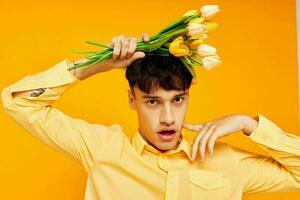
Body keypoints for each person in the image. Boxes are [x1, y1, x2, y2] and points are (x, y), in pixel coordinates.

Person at [1, 33, 300, 200]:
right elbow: (18, 102)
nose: (168, 117)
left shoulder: (224, 161)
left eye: (178, 100)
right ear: (132, 100)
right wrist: (97, 64)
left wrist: (250, 124)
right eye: (153, 101)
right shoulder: (101, 148)